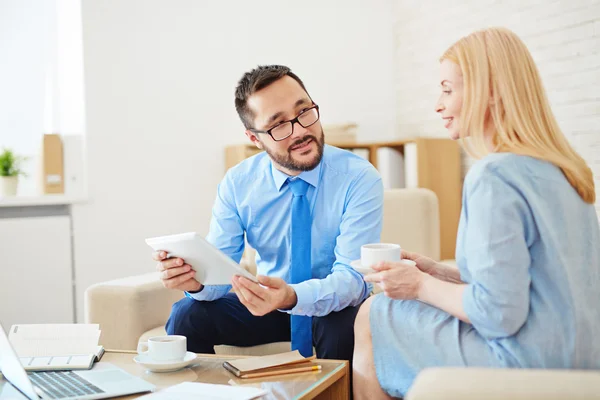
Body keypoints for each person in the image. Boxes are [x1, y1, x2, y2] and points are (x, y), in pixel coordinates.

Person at [352, 27, 600, 399]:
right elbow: (532, 284)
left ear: (492, 91)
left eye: (448, 90)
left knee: (372, 313)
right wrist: (439, 273)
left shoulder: (493, 175)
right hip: (581, 360)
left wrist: (418, 285)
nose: (438, 104)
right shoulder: (566, 170)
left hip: (525, 365)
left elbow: (499, 313)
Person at [152, 65, 383, 362]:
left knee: (344, 323)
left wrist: (293, 296)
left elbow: (353, 279)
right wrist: (196, 281)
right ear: (255, 138)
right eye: (278, 125)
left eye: (304, 112)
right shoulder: (238, 184)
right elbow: (221, 273)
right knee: (187, 313)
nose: (301, 130)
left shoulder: (358, 178)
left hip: (332, 305)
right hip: (269, 305)